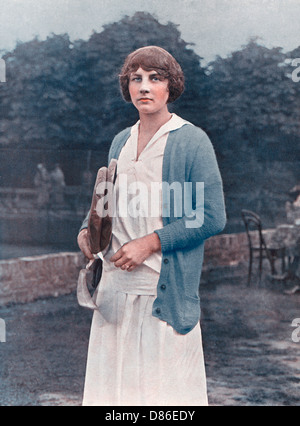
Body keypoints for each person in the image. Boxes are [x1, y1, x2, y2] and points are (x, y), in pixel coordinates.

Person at [77, 46, 226, 406]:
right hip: (114, 291)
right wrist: (87, 230)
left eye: (155, 79)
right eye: (136, 78)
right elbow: (104, 201)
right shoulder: (120, 142)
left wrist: (152, 242)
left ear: (170, 87)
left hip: (161, 294)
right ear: (127, 87)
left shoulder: (191, 141)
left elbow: (211, 214)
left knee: (163, 401)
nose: (144, 87)